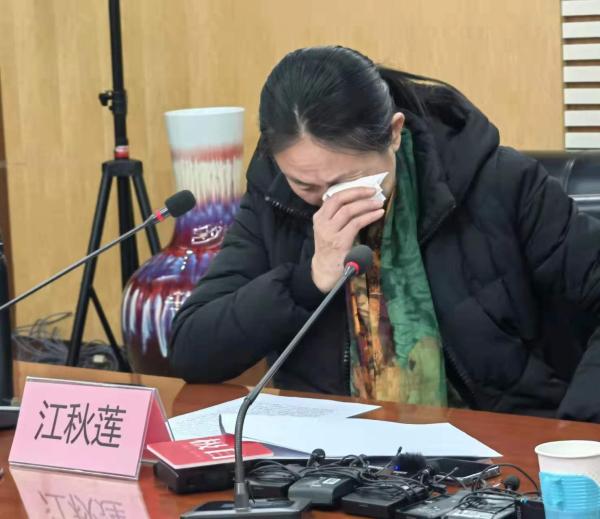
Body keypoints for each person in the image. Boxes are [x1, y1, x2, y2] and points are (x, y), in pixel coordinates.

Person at [169, 45, 600, 423]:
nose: (328, 200)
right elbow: (192, 350)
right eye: (306, 185)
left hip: (500, 446)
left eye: (347, 181)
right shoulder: (275, 199)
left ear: (394, 134)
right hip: (335, 457)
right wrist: (308, 281)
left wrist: (578, 433)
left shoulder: (501, 183)